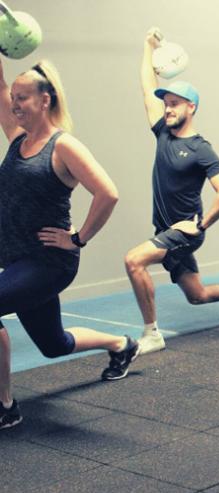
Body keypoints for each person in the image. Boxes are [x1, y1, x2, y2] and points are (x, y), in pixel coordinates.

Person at [0, 59, 140, 429]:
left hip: (49, 262)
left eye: (23, 97)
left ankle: (5, 405)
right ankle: (121, 344)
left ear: (45, 100)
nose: (15, 104)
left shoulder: (64, 146)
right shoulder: (18, 141)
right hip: (18, 262)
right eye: (13, 98)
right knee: (54, 344)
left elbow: (107, 193)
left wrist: (78, 238)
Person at [125, 28, 219, 355]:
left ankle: (151, 333)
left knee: (133, 261)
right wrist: (147, 46)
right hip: (166, 230)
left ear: (192, 107)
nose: (167, 109)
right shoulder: (162, 134)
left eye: (174, 104)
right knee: (196, 294)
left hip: (184, 231)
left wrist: (199, 225)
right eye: (166, 104)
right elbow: (146, 88)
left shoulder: (202, 149)